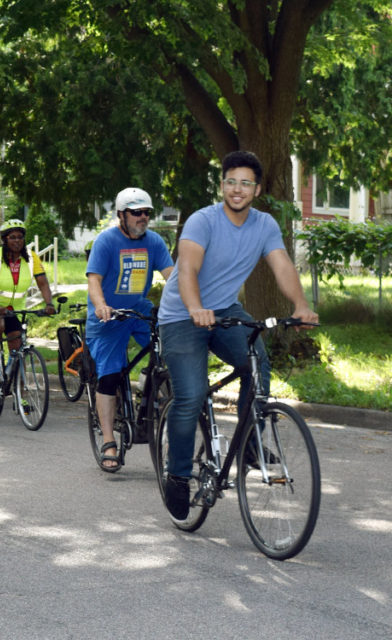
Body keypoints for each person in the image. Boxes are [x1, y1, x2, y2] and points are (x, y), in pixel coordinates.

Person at [157, 150, 318, 519]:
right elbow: (187, 272)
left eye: (246, 183)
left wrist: (301, 305)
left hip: (225, 309)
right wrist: (196, 308)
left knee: (258, 364)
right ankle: (178, 475)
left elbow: (282, 266)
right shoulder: (202, 221)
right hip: (182, 314)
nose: (237, 189)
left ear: (257, 189)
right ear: (222, 184)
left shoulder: (265, 226)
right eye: (231, 181)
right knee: (191, 395)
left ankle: (248, 441)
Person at [86, 188, 174, 471]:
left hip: (138, 310)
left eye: (147, 212)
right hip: (108, 317)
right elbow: (94, 281)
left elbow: (172, 278)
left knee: (170, 353)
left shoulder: (155, 242)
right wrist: (101, 306)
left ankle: (151, 390)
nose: (143, 217)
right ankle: (109, 440)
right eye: (137, 212)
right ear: (121, 215)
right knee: (109, 376)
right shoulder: (106, 241)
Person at [0, 219, 56, 375]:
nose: (17, 241)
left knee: (17, 348)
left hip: (14, 308)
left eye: (20, 237)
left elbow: (43, 283)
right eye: (12, 237)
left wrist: (49, 304)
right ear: (5, 239)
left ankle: (20, 394)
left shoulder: (31, 258)